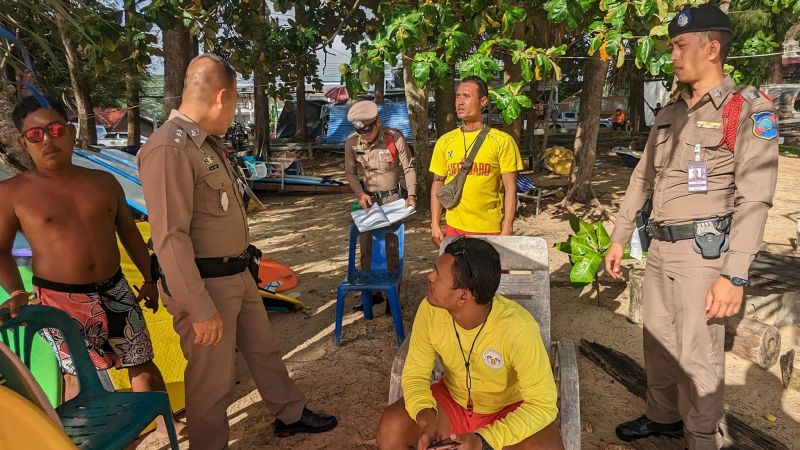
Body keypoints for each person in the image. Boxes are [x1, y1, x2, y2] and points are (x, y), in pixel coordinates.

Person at [137, 54, 337, 450]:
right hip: (205, 285)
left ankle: (290, 414)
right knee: (211, 380)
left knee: (264, 350)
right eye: (232, 104)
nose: (231, 113)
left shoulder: (205, 144)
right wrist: (199, 308)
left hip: (237, 274)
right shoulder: (170, 148)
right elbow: (170, 237)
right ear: (222, 97)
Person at [604, 5, 779, 449]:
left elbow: (755, 197)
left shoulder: (745, 109)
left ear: (712, 48)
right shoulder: (671, 113)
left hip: (704, 256)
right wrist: (619, 237)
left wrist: (733, 274)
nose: (673, 56)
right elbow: (642, 177)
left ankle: (700, 435)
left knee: (698, 354)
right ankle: (662, 417)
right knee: (659, 342)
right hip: (660, 247)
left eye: (681, 46)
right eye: (672, 47)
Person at [0, 96, 184, 438]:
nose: (48, 139)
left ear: (70, 132)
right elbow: (0, 251)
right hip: (60, 301)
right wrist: (15, 290)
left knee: (141, 361)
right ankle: (89, 438)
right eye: (35, 135)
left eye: (54, 129)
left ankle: (164, 423)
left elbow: (129, 233)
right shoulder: (11, 193)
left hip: (115, 290)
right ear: (23, 142)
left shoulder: (103, 182)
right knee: (77, 376)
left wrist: (150, 279)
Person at [376, 237, 563, 450]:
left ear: (463, 296)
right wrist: (425, 415)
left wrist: (484, 440)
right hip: (452, 401)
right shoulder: (430, 310)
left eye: (438, 275)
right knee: (391, 428)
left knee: (547, 447)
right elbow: (415, 375)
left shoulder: (518, 328)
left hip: (508, 409)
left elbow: (542, 404)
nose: (430, 276)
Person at [429, 76, 523, 247]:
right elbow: (438, 182)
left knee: (491, 274)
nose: (460, 102)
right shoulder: (445, 141)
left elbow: (511, 188)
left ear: (483, 101)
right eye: (457, 96)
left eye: (466, 96)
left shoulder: (502, 141)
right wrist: (435, 224)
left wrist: (507, 226)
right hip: (454, 228)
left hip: (490, 229)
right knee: (455, 274)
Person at [344, 100, 417, 311]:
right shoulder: (352, 142)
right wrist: (359, 193)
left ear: (377, 122)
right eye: (360, 132)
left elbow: (409, 168)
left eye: (367, 131)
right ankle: (370, 295)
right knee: (365, 249)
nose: (364, 136)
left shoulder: (394, 138)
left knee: (392, 249)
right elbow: (350, 172)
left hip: (393, 201)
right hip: (368, 203)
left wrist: (411, 195)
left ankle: (392, 297)